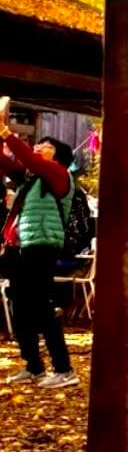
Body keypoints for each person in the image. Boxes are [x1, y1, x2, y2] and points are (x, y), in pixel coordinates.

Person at [0, 121, 78, 387]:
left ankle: (64, 369)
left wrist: (6, 133)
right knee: (20, 307)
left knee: (42, 306)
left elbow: (30, 160)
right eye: (39, 143)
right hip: (20, 247)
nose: (39, 147)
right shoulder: (30, 179)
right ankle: (34, 367)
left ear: (59, 157)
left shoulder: (58, 174)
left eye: (47, 146)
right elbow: (7, 162)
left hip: (42, 245)